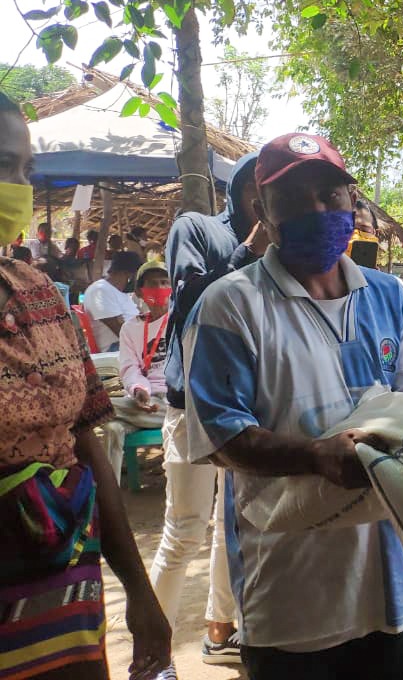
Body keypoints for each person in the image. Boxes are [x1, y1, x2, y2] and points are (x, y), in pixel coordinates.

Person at [182, 132, 403, 679]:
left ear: (352, 199)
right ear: (261, 211)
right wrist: (315, 456)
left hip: (388, 587)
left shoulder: (387, 295)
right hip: (288, 599)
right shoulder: (230, 305)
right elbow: (221, 436)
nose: (317, 210)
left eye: (329, 194)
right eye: (294, 198)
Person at [0, 89, 172, 680]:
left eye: (25, 170)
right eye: (3, 166)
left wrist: (140, 592)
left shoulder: (38, 293)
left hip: (67, 599)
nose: (17, 186)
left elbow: (86, 440)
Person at [157, 149, 271, 665]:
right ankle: (152, 651)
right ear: (239, 188)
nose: (264, 199)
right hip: (193, 406)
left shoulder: (280, 249)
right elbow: (188, 302)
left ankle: (219, 629)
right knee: (184, 530)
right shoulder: (196, 228)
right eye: (256, 187)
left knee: (236, 526)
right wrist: (248, 252)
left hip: (248, 406)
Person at [101, 262, 171, 482]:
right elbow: (130, 367)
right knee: (112, 428)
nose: (159, 289)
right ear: (140, 291)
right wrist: (139, 389)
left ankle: (92, 408)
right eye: (152, 284)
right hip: (140, 404)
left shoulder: (180, 320)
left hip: (172, 404)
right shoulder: (131, 328)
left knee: (97, 406)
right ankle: (111, 491)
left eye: (164, 283)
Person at [83, 250, 143, 351]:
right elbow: (121, 330)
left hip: (130, 342)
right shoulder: (100, 291)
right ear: (128, 275)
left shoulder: (119, 292)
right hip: (117, 346)